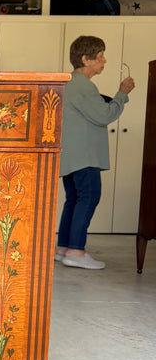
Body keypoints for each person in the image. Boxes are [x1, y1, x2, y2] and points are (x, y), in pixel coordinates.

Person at [55, 35, 135, 270]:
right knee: (89, 198)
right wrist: (122, 94)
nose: (104, 61)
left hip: (71, 155)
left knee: (74, 199)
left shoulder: (69, 83)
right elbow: (104, 116)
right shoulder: (83, 85)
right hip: (84, 156)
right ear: (85, 59)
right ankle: (76, 252)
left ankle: (64, 248)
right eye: (100, 57)